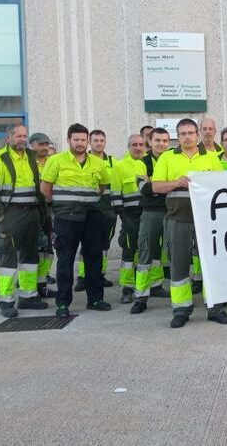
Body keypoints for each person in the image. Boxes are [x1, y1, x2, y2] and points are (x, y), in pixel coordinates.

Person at [152, 118, 227, 328]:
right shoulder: (167, 158)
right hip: (178, 219)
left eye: (190, 133)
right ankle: (181, 309)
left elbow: (222, 185)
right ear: (177, 137)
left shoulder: (212, 158)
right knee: (178, 266)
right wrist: (175, 183)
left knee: (210, 266)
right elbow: (156, 187)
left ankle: (214, 308)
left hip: (206, 221)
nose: (187, 137)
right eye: (182, 134)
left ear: (197, 135)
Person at [40, 123, 112, 317]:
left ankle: (95, 299)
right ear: (68, 140)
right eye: (76, 139)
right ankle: (63, 303)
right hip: (66, 218)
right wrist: (59, 207)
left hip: (92, 217)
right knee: (65, 260)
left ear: (87, 141)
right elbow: (45, 189)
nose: (80, 143)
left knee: (94, 258)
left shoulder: (98, 163)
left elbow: (103, 186)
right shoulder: (56, 161)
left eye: (83, 140)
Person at [0, 124, 49, 317]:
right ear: (8, 137)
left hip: (32, 214)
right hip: (10, 215)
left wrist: (41, 213)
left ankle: (28, 297)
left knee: (30, 257)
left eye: (25, 136)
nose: (22, 139)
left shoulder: (31, 156)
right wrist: (0, 216)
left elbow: (37, 187)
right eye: (18, 136)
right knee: (7, 258)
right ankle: (6, 301)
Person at [130, 127, 171, 314]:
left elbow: (156, 186)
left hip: (172, 211)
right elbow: (144, 189)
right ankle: (140, 297)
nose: (161, 144)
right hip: (151, 212)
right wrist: (165, 185)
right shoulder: (142, 162)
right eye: (157, 140)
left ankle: (157, 286)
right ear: (150, 142)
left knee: (168, 252)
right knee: (146, 252)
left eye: (164, 141)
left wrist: (157, 184)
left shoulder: (173, 159)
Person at [77, 129, 119, 291]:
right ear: (89, 142)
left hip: (108, 210)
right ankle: (82, 276)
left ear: (105, 142)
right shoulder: (82, 161)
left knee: (104, 244)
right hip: (88, 209)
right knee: (86, 244)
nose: (99, 143)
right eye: (95, 140)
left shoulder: (114, 162)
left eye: (102, 140)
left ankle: (100, 274)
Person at [115, 134, 146, 304]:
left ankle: (142, 286)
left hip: (145, 213)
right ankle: (126, 287)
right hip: (129, 215)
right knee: (129, 250)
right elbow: (115, 192)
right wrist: (121, 214)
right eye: (134, 144)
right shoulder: (120, 166)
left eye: (141, 144)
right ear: (129, 147)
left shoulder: (145, 164)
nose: (138, 147)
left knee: (144, 250)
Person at [29, 132, 57, 297]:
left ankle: (41, 285)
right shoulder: (27, 163)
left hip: (50, 211)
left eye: (46, 144)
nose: (45, 147)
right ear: (32, 145)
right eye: (41, 144)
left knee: (48, 250)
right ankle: (30, 288)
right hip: (32, 211)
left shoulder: (52, 162)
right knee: (34, 250)